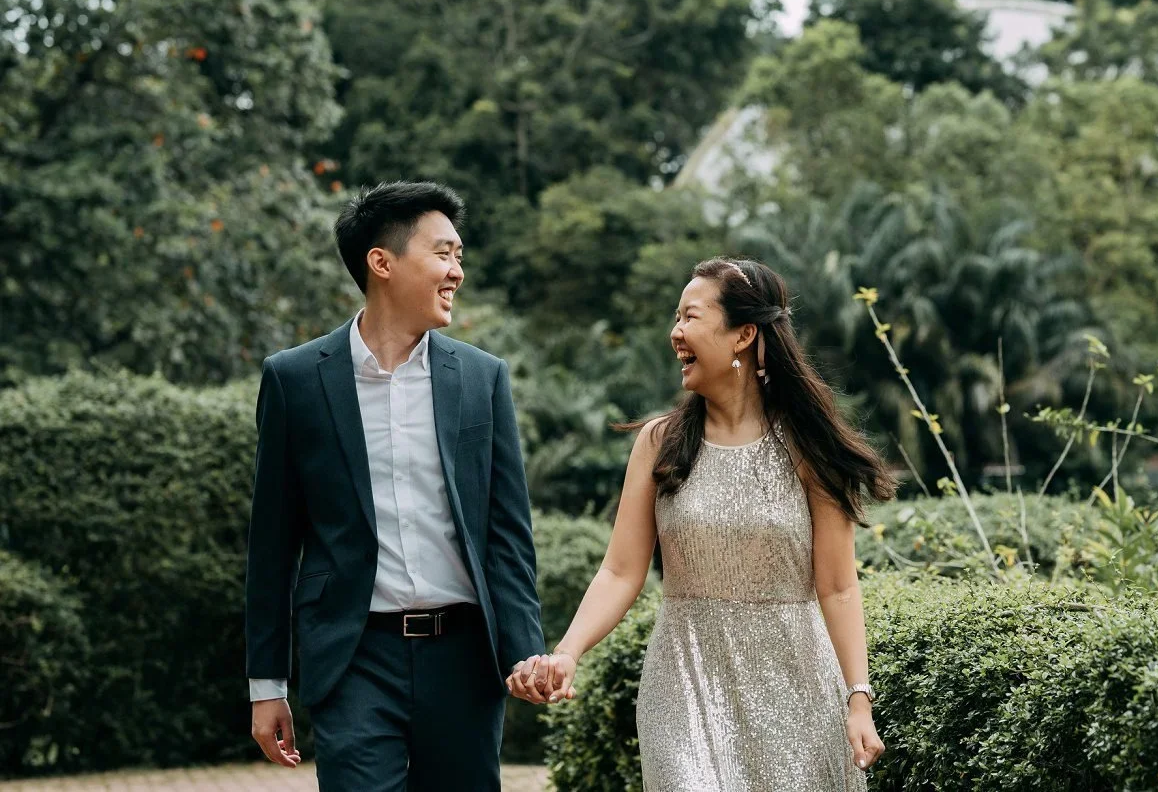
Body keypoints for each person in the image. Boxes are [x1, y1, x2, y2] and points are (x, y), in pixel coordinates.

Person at [510, 257, 894, 790]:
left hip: (796, 688)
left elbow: (837, 585)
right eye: (676, 317)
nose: (675, 333)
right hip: (683, 683)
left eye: (690, 317)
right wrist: (567, 652)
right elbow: (622, 572)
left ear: (743, 335)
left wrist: (857, 698)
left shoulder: (809, 448)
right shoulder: (658, 444)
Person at [244, 181, 550, 791]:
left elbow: (507, 536)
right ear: (381, 263)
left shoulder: (482, 379)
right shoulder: (296, 380)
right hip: (354, 656)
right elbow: (272, 544)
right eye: (443, 253)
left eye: (459, 255)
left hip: (464, 657)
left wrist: (526, 655)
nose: (457, 271)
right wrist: (266, 686)